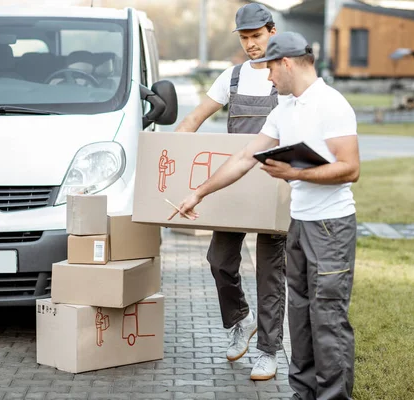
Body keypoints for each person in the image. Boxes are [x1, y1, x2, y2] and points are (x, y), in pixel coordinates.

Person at [170, 32, 360, 400]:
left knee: (328, 321)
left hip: (331, 228)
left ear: (286, 63)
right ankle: (303, 393)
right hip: (299, 224)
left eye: (271, 69)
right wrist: (198, 192)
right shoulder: (284, 110)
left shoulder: (331, 105)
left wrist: (296, 174)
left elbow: (350, 169)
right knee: (301, 319)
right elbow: (244, 158)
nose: (268, 78)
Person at [175, 3, 286, 381]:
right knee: (220, 261)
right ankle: (241, 318)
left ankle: (269, 351)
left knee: (271, 274)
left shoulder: (285, 76)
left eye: (257, 36)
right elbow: (193, 119)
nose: (251, 45)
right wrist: (169, 156)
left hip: (274, 187)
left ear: (272, 31)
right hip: (234, 184)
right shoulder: (233, 77)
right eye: (245, 38)